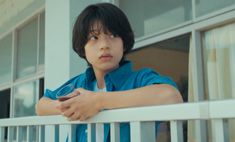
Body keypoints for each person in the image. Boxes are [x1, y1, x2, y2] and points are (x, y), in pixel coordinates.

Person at [35, 2, 183, 142]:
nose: (104, 45)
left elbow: (171, 96)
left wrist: (97, 101)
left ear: (124, 43)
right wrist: (73, 106)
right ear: (83, 47)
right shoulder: (79, 84)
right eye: (94, 37)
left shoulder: (139, 79)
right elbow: (41, 105)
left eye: (113, 35)